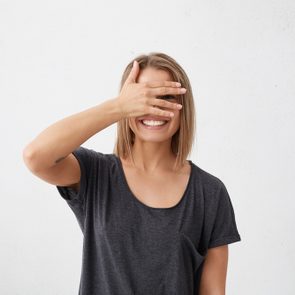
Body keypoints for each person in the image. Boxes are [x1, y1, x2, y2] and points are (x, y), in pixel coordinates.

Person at [23, 52, 241, 295]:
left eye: (166, 98)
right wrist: (117, 107)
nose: (154, 108)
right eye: (143, 98)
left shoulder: (209, 192)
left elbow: (213, 291)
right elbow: (36, 156)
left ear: (183, 108)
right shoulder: (95, 174)